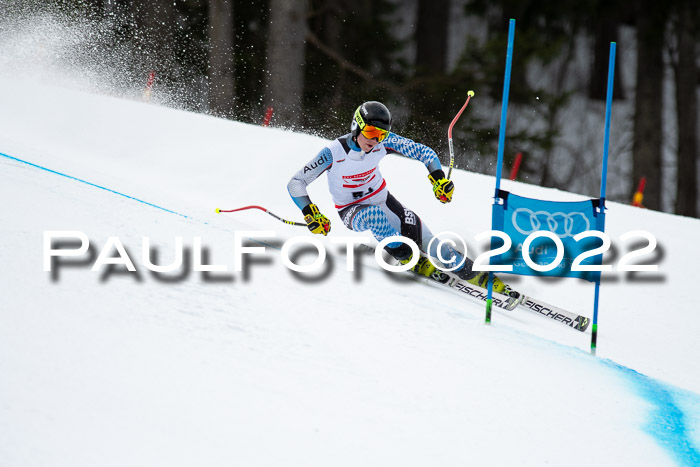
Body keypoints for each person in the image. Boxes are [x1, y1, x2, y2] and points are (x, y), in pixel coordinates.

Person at [287, 100, 520, 299]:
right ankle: (407, 257)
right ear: (356, 127)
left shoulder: (383, 143)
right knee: (374, 217)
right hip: (352, 210)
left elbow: (425, 152)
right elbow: (296, 183)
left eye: (381, 135)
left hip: (385, 201)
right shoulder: (333, 153)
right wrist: (311, 213)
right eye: (370, 133)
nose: (375, 141)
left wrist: (438, 179)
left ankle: (479, 275)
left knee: (432, 243)